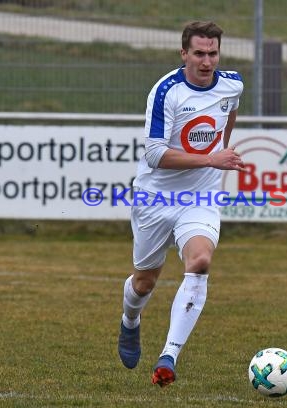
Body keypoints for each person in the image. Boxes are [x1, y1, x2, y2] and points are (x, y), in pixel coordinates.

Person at [117, 21, 245, 387]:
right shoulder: (166, 91)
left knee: (200, 261)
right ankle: (130, 322)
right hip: (154, 197)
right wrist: (211, 159)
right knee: (144, 282)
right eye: (199, 53)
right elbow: (155, 154)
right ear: (184, 53)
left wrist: (219, 150)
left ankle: (168, 357)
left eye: (213, 53)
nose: (207, 62)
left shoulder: (232, 83)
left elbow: (229, 113)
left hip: (200, 197)